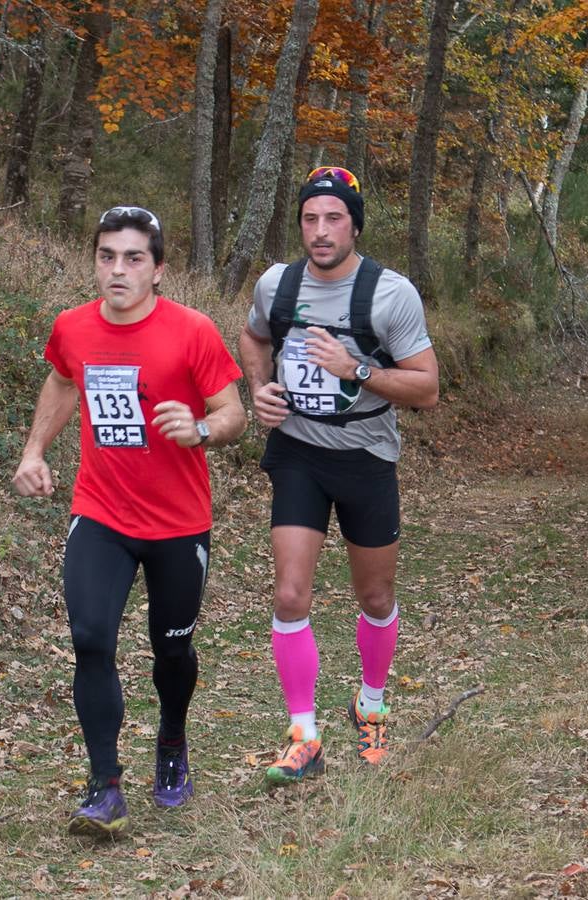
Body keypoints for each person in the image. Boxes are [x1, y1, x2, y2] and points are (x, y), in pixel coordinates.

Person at [12, 206, 244, 836]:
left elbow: (233, 413)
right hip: (101, 513)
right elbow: (63, 382)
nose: (117, 269)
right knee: (91, 637)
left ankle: (172, 741)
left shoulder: (192, 332)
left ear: (159, 269)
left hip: (177, 523)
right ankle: (104, 784)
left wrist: (198, 429)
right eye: (107, 256)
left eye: (133, 258)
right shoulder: (73, 327)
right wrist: (34, 452)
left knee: (171, 651)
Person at [237, 166, 439, 785]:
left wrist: (355, 370)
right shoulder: (278, 283)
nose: (320, 232)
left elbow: (427, 388)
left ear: (354, 225)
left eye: (334, 219)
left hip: (367, 456)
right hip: (299, 452)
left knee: (374, 597)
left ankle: (370, 704)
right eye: (309, 219)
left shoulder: (391, 294)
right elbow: (251, 337)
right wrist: (259, 389)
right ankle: (304, 734)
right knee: (290, 594)